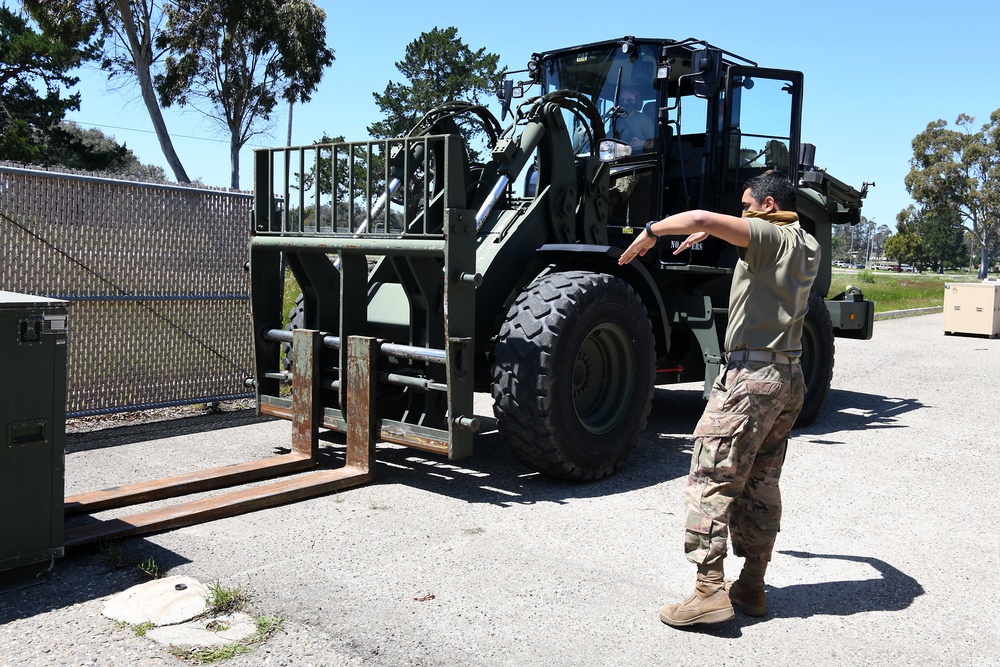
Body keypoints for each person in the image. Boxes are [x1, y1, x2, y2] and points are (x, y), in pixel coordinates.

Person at [617, 171, 820, 627]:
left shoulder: (768, 234)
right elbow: (718, 226)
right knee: (760, 481)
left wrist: (652, 232)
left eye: (747, 206)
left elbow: (703, 215)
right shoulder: (807, 243)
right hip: (788, 376)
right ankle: (751, 585)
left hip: (751, 377)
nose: (742, 214)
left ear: (769, 206)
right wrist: (709, 232)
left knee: (711, 476)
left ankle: (708, 591)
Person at [614, 87, 655, 154]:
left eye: (629, 100)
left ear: (637, 102)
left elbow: (654, 143)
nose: (625, 102)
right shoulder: (615, 119)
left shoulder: (643, 119)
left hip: (639, 157)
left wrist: (641, 143)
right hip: (618, 157)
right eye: (622, 100)